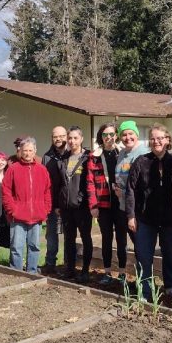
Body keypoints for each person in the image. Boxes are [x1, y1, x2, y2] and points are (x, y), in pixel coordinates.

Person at [126, 124, 172, 301]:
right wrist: (131, 215)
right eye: (153, 138)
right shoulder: (141, 161)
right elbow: (131, 189)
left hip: (168, 219)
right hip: (145, 219)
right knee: (143, 255)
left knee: (169, 253)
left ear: (168, 140)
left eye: (160, 138)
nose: (156, 141)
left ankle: (170, 286)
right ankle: (145, 290)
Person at [2, 137, 52, 274]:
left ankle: (32, 272)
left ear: (35, 151)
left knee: (34, 246)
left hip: (36, 215)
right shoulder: (13, 169)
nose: (28, 153)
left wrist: (46, 209)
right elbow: (6, 190)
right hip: (18, 216)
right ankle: (16, 272)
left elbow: (47, 190)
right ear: (20, 151)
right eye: (25, 150)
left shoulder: (42, 170)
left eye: (30, 150)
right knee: (16, 247)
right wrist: (12, 209)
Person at [87, 122, 127, 285]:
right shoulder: (94, 156)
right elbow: (90, 183)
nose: (109, 137)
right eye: (105, 135)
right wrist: (93, 205)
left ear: (116, 135)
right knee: (106, 239)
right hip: (103, 204)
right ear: (101, 137)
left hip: (120, 203)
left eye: (111, 134)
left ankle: (123, 272)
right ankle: (107, 272)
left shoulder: (123, 154)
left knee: (122, 239)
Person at [56, 126, 92, 282]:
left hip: (82, 207)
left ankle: (85, 270)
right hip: (66, 207)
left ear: (81, 139)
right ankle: (70, 269)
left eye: (75, 138)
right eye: (69, 138)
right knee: (69, 239)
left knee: (85, 238)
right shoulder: (63, 158)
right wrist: (59, 204)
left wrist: (86, 200)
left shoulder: (88, 158)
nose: (72, 141)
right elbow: (59, 183)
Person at [114, 120, 148, 278]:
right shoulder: (122, 153)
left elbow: (144, 184)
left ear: (137, 135)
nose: (127, 137)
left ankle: (144, 280)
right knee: (129, 243)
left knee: (140, 245)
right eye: (124, 135)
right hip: (123, 207)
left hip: (137, 209)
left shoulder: (143, 153)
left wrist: (126, 192)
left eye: (130, 134)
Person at [41, 126, 69, 274]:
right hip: (52, 203)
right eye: (55, 136)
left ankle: (68, 263)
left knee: (69, 235)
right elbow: (44, 182)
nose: (58, 139)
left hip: (69, 203)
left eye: (61, 136)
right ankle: (50, 263)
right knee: (51, 235)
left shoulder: (72, 154)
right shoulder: (47, 157)